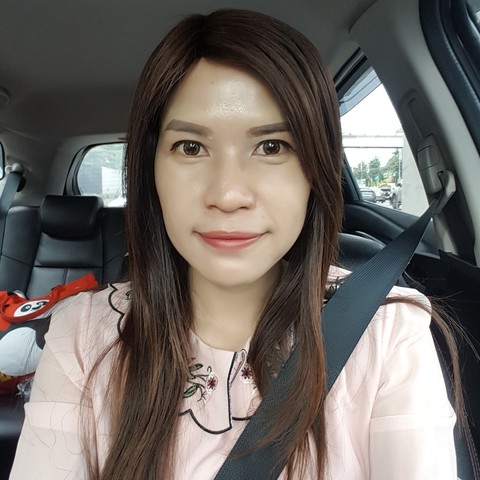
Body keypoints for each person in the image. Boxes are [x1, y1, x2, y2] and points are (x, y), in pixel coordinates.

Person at [10, 9, 459, 480]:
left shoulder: (386, 334)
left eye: (272, 147)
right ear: (151, 171)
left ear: (315, 170)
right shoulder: (81, 336)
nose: (227, 195)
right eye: (190, 147)